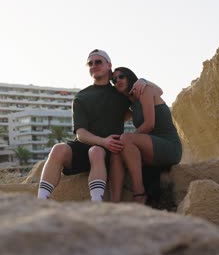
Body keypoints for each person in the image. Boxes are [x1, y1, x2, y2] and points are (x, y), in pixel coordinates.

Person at [38, 50, 146, 202]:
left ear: (109, 65)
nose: (94, 65)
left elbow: (142, 102)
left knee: (96, 151)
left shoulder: (120, 92)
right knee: (58, 149)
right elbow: (80, 133)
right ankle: (41, 201)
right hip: (87, 146)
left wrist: (144, 81)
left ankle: (97, 204)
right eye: (90, 63)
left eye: (98, 62)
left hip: (111, 151)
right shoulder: (82, 97)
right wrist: (103, 141)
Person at [109, 67, 182, 205]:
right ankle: (114, 204)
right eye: (114, 80)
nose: (117, 80)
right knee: (116, 150)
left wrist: (144, 80)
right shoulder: (131, 106)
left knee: (124, 139)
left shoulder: (145, 90)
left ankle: (139, 193)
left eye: (121, 76)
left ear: (129, 77)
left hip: (169, 146)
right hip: (151, 148)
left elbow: (149, 124)